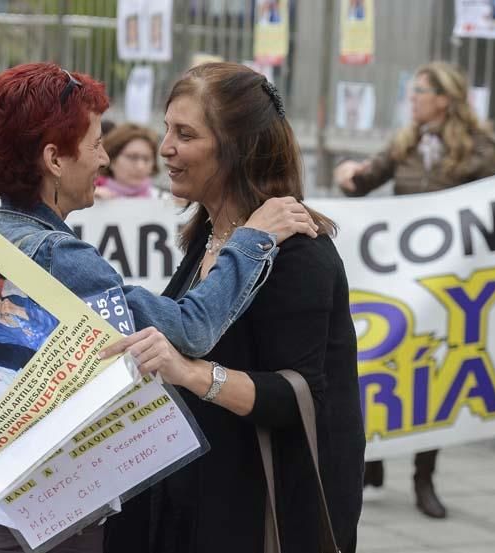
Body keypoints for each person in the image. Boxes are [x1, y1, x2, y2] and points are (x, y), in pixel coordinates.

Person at [0, 62, 318, 552]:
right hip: (56, 514)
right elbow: (191, 330)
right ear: (54, 158)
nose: (102, 161)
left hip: (8, 508)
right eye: (96, 144)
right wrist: (253, 240)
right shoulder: (56, 255)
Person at [99, 62, 364, 553]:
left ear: (236, 147)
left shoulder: (300, 251)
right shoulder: (209, 235)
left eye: (185, 134)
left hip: (256, 508)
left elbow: (299, 396)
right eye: (166, 130)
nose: (165, 149)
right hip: (194, 492)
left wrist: (191, 373)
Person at [334, 61, 495, 519]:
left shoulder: (479, 147)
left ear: (443, 99)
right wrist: (348, 174)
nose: (412, 98)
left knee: (433, 367)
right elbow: (365, 185)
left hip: (447, 281)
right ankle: (373, 466)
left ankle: (423, 477)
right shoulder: (405, 142)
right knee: (386, 361)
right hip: (403, 278)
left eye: (420, 90)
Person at [94, 123, 159, 199]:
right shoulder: (89, 197)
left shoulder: (162, 199)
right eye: (132, 157)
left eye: (146, 159)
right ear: (112, 160)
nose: (140, 166)